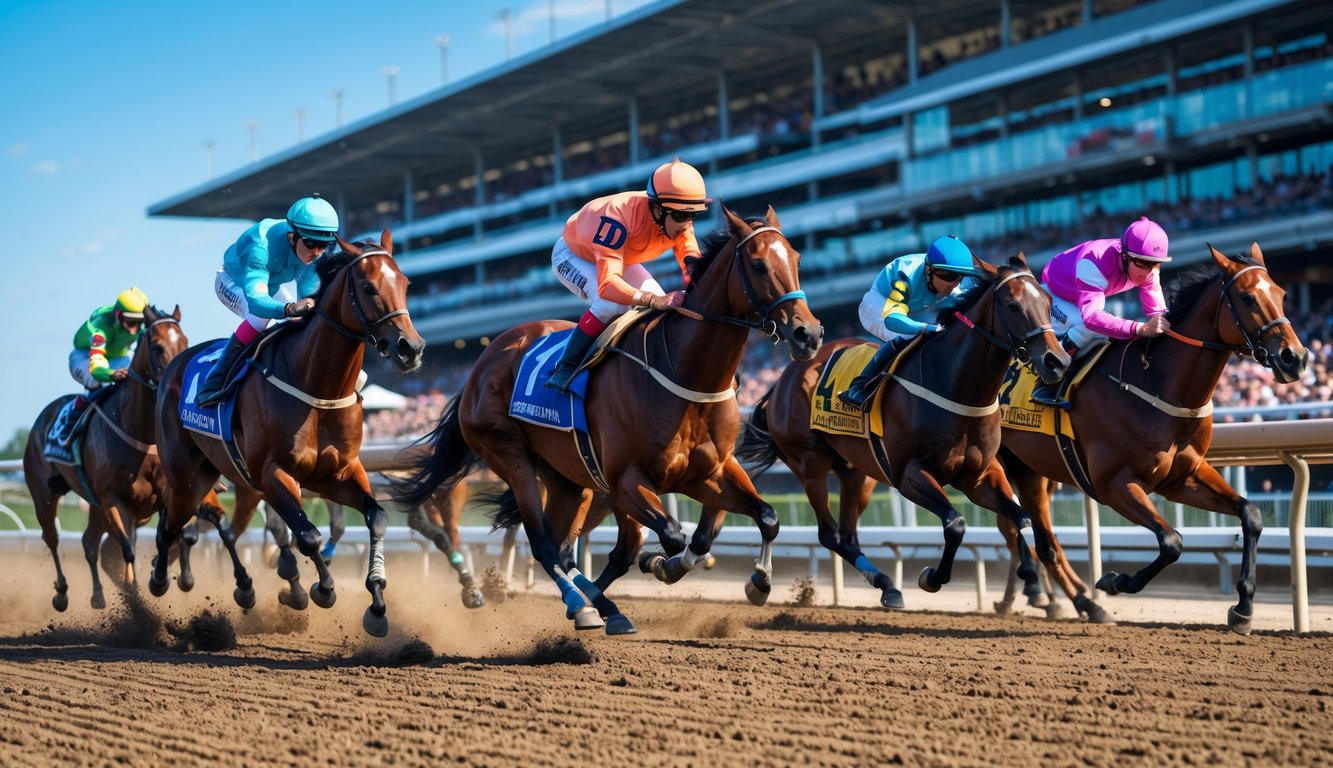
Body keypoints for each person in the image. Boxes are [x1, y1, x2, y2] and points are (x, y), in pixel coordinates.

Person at [545, 158, 710, 392]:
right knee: (610, 305)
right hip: (572, 255)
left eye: (692, 215)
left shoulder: (677, 214)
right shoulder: (615, 221)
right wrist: (652, 299)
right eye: (682, 216)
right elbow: (608, 285)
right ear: (657, 209)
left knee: (659, 312)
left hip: (619, 256)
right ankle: (566, 365)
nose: (687, 224)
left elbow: (690, 260)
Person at [195, 195, 339, 407]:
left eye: (324, 245)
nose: (317, 253)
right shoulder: (260, 247)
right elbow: (256, 301)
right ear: (292, 237)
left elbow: (308, 296)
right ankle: (215, 381)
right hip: (233, 281)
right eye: (311, 244)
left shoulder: (311, 251)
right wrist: (289, 309)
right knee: (261, 319)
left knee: (301, 321)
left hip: (271, 284)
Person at [1029, 216, 1171, 408]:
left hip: (1077, 297)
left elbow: (1159, 315)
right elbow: (1091, 317)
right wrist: (1139, 328)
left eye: (1154, 264)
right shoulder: (1095, 261)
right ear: (1125, 256)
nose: (1148, 272)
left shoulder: (1147, 267)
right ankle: (1047, 379)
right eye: (1142, 263)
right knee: (1089, 327)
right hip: (1053, 295)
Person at [837, 235, 981, 411]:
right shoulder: (905, 277)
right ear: (928, 270)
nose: (953, 283)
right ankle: (858, 387)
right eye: (948, 275)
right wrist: (927, 328)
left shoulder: (953, 286)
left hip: (907, 307)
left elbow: (971, 318)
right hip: (878, 306)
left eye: (959, 277)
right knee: (908, 335)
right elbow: (892, 321)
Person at [58, 287, 149, 442]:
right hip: (86, 357)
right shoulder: (100, 329)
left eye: (140, 322)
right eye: (130, 322)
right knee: (96, 381)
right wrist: (111, 374)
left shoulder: (140, 327)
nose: (135, 329)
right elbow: (96, 367)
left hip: (116, 357)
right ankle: (77, 410)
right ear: (118, 316)